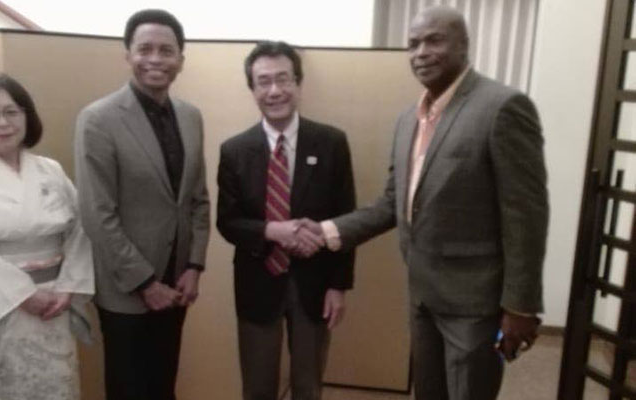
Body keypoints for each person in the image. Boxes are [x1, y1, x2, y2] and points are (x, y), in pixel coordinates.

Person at [315, 6, 548, 400]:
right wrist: (327, 231)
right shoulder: (409, 119)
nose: (421, 52)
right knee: (429, 392)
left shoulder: (502, 107)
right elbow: (395, 202)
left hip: (476, 300)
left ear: (464, 46)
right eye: (413, 43)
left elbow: (525, 214)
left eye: (434, 40)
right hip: (423, 292)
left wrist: (521, 306)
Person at [74, 9, 210, 400]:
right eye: (145, 49)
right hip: (126, 289)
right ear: (127, 54)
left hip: (177, 282)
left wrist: (195, 266)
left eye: (166, 51)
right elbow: (97, 214)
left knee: (163, 384)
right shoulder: (97, 119)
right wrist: (145, 282)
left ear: (181, 60)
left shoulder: (190, 116)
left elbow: (197, 199)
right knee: (129, 389)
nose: (156, 59)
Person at [217, 41, 356, 400]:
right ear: (252, 89)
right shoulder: (234, 150)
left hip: (315, 282)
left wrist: (338, 286)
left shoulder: (331, 142)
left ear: (298, 83)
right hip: (257, 283)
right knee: (258, 386)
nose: (275, 90)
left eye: (283, 79)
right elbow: (228, 222)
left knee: (308, 384)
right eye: (264, 81)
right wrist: (272, 230)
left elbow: (346, 220)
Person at [0, 73, 94, 400]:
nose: (2, 123)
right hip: (1, 312)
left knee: (59, 387)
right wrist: (22, 295)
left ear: (27, 116)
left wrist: (69, 286)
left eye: (12, 112)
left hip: (55, 302)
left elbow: (81, 230)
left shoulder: (50, 172)